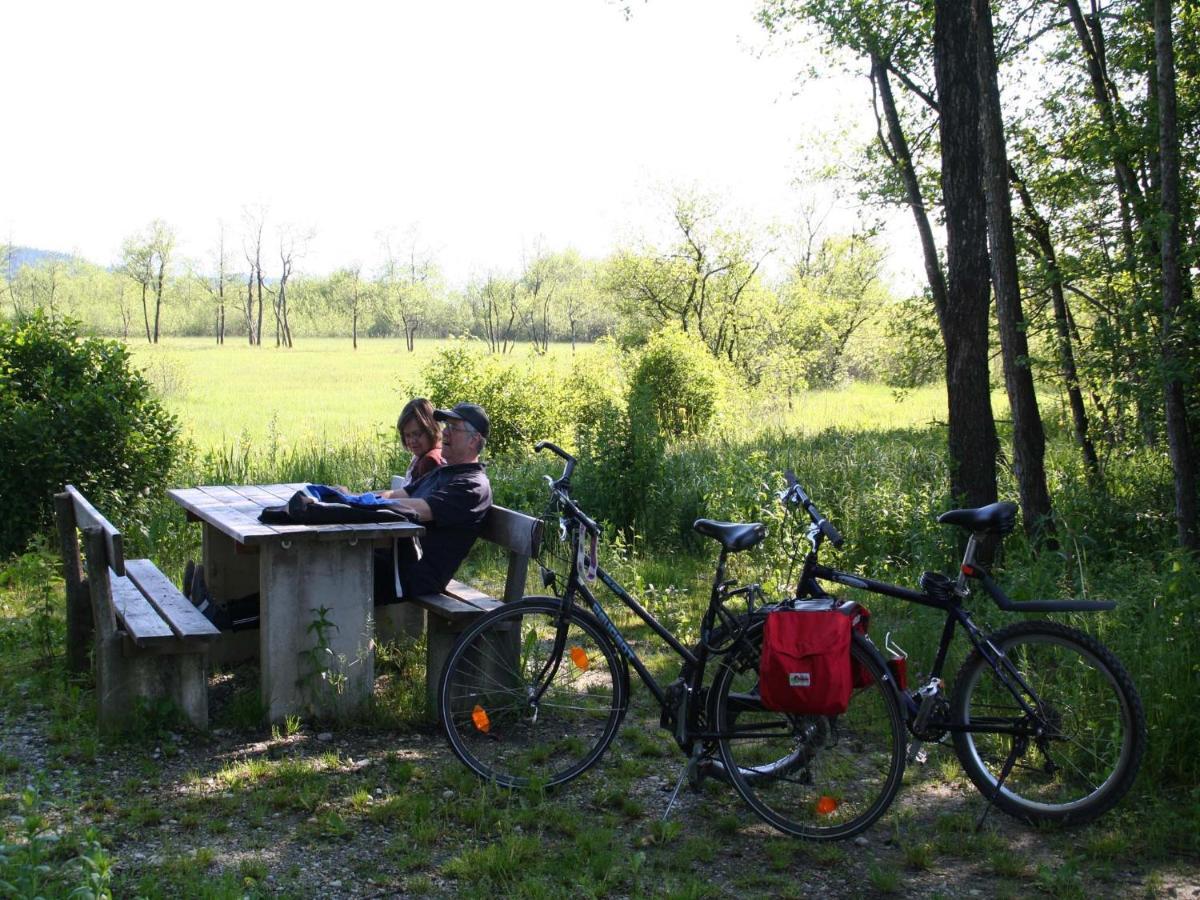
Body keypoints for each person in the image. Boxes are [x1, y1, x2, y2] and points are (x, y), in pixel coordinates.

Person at [376, 402, 493, 599]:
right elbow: (395, 496)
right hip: (397, 562)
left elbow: (418, 509)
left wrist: (364, 504)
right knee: (333, 558)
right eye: (446, 426)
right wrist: (348, 497)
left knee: (339, 568)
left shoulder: (472, 486)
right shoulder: (443, 473)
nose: (445, 433)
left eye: (454, 428)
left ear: (474, 440)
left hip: (413, 576)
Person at [384, 397, 444, 493]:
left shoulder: (430, 460)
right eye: (407, 435)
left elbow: (411, 498)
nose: (412, 441)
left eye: (417, 434)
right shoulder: (421, 455)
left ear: (431, 430)